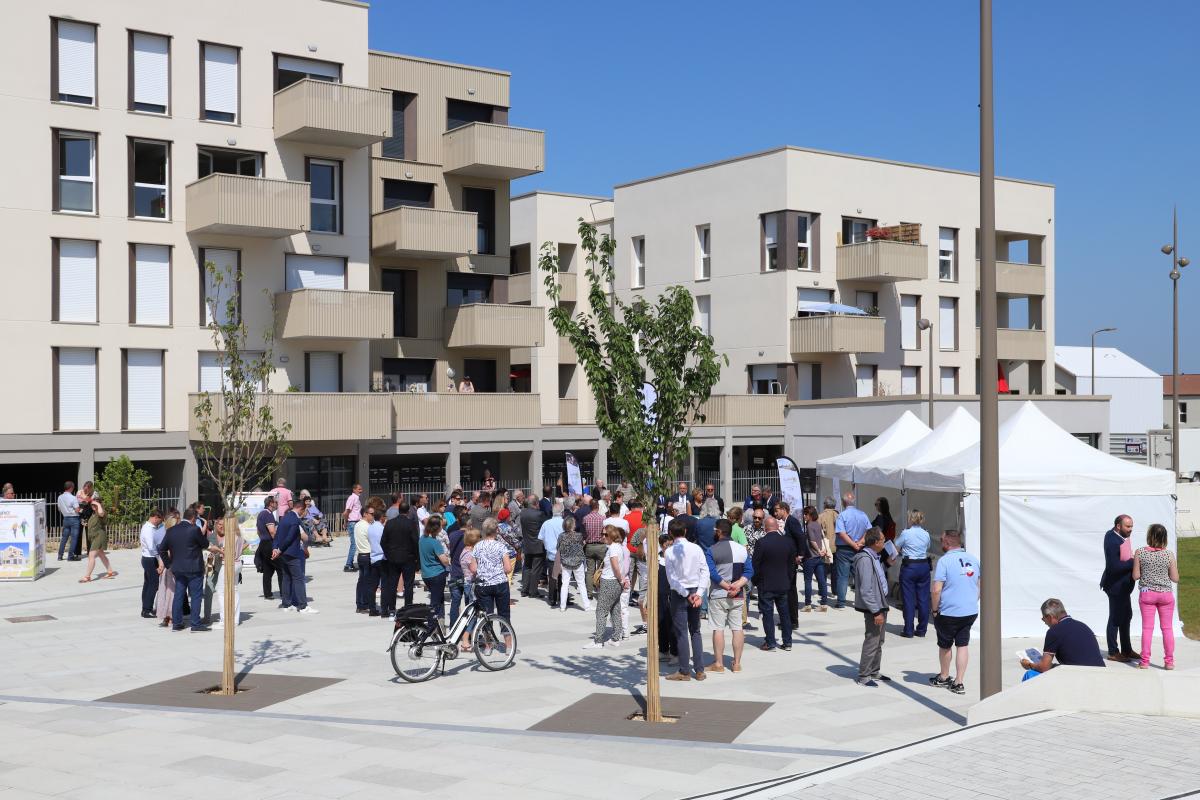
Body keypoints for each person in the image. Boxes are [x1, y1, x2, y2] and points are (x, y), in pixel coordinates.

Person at [928, 530, 980, 695]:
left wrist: (935, 610)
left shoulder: (944, 561)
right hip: (969, 610)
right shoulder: (973, 559)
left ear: (948, 543)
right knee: (962, 645)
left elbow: (936, 590)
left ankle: (944, 676)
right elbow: (980, 585)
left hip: (949, 611)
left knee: (945, 645)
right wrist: (972, 601)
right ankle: (959, 681)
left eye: (942, 540)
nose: (941, 543)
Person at [662, 518, 708, 680]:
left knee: (682, 632)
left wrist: (687, 594)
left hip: (680, 593)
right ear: (685, 532)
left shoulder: (669, 552)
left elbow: (672, 579)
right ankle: (700, 670)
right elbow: (705, 571)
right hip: (695, 589)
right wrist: (699, 593)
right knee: (695, 631)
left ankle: (684, 670)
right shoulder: (696, 548)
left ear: (670, 534)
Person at [706, 518, 753, 672]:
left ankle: (719, 664)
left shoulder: (711, 550)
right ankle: (737, 663)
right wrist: (737, 585)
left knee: (718, 629)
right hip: (738, 594)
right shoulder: (742, 549)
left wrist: (726, 586)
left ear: (719, 532)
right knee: (737, 628)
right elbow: (749, 571)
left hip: (719, 593)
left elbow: (712, 573)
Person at [1020, 598, 1106, 680]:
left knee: (1030, 675)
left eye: (1043, 618)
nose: (1044, 622)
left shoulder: (1054, 631)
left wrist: (1030, 665)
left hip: (1081, 678)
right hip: (1102, 675)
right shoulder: (1084, 626)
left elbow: (1044, 668)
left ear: (1050, 617)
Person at [1133, 523, 1178, 670]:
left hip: (1147, 594)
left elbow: (1136, 576)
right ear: (1165, 537)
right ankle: (1169, 662)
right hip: (1165, 595)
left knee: (1147, 628)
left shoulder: (1140, 552)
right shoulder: (1168, 554)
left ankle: (1145, 661)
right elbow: (1175, 578)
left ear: (1149, 536)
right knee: (1167, 629)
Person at [751, 512, 795, 651]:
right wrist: (788, 579)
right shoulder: (788, 542)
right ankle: (787, 642)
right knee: (784, 614)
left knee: (768, 614)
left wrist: (756, 581)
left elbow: (755, 565)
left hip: (766, 584)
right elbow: (791, 565)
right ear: (777, 527)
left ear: (765, 528)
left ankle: (770, 642)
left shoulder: (761, 543)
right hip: (783, 583)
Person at [160, 508, 209, 632]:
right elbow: (205, 544)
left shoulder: (171, 530)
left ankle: (177, 624)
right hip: (194, 568)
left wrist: (168, 565)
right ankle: (195, 624)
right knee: (196, 596)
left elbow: (162, 549)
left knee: (179, 595)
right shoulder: (194, 529)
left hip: (178, 568)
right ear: (193, 518)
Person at [852, 528, 890, 687]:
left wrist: (887, 564)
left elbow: (877, 578)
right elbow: (866, 589)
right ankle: (864, 675)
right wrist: (876, 611)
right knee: (872, 640)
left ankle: (874, 670)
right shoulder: (865, 559)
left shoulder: (874, 557)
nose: (884, 542)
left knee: (879, 640)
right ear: (875, 543)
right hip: (874, 607)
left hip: (880, 604)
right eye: (882, 540)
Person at [1100, 514, 1138, 662]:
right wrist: (1133, 561)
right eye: (1128, 526)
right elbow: (1114, 567)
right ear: (1118, 526)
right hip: (1115, 588)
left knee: (1126, 616)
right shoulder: (1112, 540)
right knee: (1115, 619)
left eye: (1131, 526)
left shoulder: (1117, 536)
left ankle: (1127, 650)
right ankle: (1113, 652)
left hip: (1123, 587)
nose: (1131, 529)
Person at [585, 526, 629, 649]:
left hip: (610, 582)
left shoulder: (613, 548)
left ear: (612, 535)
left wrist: (621, 579)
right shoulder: (617, 547)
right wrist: (622, 580)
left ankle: (598, 640)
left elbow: (615, 566)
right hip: (614, 582)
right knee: (615, 609)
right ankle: (616, 637)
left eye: (605, 534)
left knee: (601, 611)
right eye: (602, 534)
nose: (603, 536)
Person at [273, 497, 317, 614]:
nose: (304, 513)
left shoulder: (285, 517)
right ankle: (303, 606)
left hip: (283, 554)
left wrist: (276, 548)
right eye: (305, 510)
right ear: (300, 508)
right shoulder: (294, 520)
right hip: (292, 554)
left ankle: (286, 604)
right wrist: (280, 549)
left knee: (286, 578)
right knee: (298, 579)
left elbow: (277, 536)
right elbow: (289, 538)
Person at [894, 510, 933, 637]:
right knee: (923, 598)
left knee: (908, 598)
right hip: (923, 565)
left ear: (910, 519)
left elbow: (897, 547)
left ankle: (909, 629)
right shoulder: (926, 534)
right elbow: (927, 547)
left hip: (909, 566)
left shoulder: (906, 533)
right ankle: (922, 629)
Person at [471, 517, 514, 623]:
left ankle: (488, 639)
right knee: (504, 615)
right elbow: (508, 568)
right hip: (500, 583)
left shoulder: (477, 546)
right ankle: (508, 639)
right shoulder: (501, 546)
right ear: (496, 530)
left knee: (486, 617)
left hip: (484, 584)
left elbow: (473, 568)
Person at [380, 499, 418, 616]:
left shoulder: (390, 523)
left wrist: (388, 554)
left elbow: (383, 542)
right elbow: (415, 541)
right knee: (408, 584)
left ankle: (392, 608)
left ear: (399, 510)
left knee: (392, 583)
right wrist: (416, 557)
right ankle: (408, 608)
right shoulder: (410, 524)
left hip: (393, 558)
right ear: (408, 511)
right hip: (408, 558)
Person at [833, 492, 871, 609]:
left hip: (844, 548)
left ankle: (841, 602)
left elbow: (842, 533)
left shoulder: (842, 515)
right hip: (859, 548)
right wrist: (859, 542)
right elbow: (868, 530)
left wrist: (853, 544)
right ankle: (861, 600)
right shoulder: (863, 514)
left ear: (844, 503)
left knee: (843, 576)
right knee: (860, 575)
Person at [207, 518, 246, 628]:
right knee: (234, 590)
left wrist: (222, 553)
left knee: (221, 592)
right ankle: (235, 620)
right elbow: (245, 544)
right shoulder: (238, 534)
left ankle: (224, 620)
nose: (223, 526)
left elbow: (225, 552)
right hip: (237, 563)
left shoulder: (229, 536)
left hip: (228, 564)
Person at [775, 502, 806, 626]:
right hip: (788, 560)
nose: (775, 513)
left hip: (792, 561)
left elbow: (801, 537)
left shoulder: (792, 521)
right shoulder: (786, 522)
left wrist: (800, 555)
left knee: (789, 590)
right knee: (788, 590)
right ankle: (789, 619)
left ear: (784, 509)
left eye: (777, 510)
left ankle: (792, 620)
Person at [419, 514, 450, 622]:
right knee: (436, 602)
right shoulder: (435, 542)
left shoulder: (422, 539)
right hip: (437, 574)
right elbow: (444, 561)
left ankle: (440, 623)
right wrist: (449, 560)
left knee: (438, 599)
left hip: (426, 574)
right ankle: (432, 625)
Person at [556, 516, 589, 612]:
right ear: (573, 525)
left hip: (565, 562)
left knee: (565, 584)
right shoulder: (578, 536)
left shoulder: (561, 536)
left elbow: (557, 547)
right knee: (581, 583)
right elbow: (582, 545)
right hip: (578, 562)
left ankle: (562, 606)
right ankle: (586, 606)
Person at [79, 495, 115, 583]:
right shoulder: (94, 513)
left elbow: (101, 514)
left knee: (91, 555)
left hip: (99, 536)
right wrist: (86, 524)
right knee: (101, 555)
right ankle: (110, 572)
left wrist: (98, 505)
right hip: (94, 536)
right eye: (92, 505)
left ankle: (87, 576)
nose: (92, 506)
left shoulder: (101, 512)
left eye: (94, 505)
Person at [800, 506, 829, 612]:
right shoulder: (817, 524)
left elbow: (812, 541)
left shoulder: (809, 525)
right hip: (819, 557)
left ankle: (808, 604)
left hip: (810, 557)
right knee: (822, 580)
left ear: (810, 515)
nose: (804, 516)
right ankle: (824, 604)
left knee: (808, 581)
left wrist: (818, 550)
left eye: (806, 514)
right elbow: (821, 538)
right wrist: (822, 551)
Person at [518, 496, 547, 599]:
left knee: (527, 567)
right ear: (536, 503)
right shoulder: (540, 514)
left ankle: (525, 590)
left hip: (527, 544)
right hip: (538, 545)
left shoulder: (523, 513)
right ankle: (533, 591)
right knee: (536, 569)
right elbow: (545, 526)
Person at [138, 509, 165, 618]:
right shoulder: (148, 529)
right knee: (153, 584)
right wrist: (159, 560)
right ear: (155, 518)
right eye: (160, 520)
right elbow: (151, 547)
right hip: (150, 559)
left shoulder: (147, 527)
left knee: (148, 583)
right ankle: (147, 609)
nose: (160, 523)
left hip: (147, 558)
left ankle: (145, 607)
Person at [254, 495, 282, 600]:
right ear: (271, 503)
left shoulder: (261, 514)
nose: (277, 504)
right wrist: (277, 543)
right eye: (276, 502)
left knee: (268, 570)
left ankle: (268, 593)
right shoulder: (269, 515)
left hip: (263, 543)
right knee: (280, 568)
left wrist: (263, 539)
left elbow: (258, 531)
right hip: (270, 544)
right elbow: (272, 531)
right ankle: (284, 592)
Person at [354, 506, 379, 615]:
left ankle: (360, 604)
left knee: (362, 581)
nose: (373, 516)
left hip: (361, 555)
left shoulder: (357, 525)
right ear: (365, 514)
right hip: (367, 555)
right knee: (368, 582)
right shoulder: (367, 526)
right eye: (371, 513)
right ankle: (365, 604)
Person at [580, 499, 607, 600]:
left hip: (590, 546)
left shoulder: (585, 518)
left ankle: (589, 592)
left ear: (590, 507)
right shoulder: (603, 518)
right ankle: (600, 590)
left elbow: (584, 532)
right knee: (601, 570)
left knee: (590, 571)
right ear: (598, 507)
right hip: (601, 546)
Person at [539, 508, 565, 609]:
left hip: (551, 553)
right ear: (561, 512)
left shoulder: (546, 523)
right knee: (562, 577)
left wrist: (547, 545)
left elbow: (541, 537)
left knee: (552, 577)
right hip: (562, 554)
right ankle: (562, 597)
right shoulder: (564, 522)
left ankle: (552, 598)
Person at [57, 481, 81, 562]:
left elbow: (59, 509)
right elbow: (77, 510)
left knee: (64, 538)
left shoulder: (59, 497)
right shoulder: (73, 498)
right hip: (74, 518)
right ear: (71, 488)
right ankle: (70, 556)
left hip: (66, 518)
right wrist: (81, 509)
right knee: (74, 538)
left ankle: (60, 556)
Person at [343, 484, 364, 572]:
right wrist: (345, 522)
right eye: (359, 489)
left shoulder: (356, 498)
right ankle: (348, 565)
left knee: (355, 544)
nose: (361, 491)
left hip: (356, 523)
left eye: (361, 489)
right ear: (354, 489)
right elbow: (346, 511)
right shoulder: (352, 498)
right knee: (354, 544)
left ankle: (350, 563)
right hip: (353, 523)